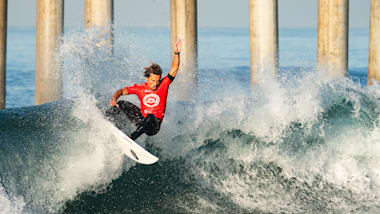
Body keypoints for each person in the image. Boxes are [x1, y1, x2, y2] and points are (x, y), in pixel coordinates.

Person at [106, 40, 182, 140]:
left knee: (150, 117)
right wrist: (113, 99)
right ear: (147, 78)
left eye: (158, 81)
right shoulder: (140, 88)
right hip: (141, 121)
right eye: (153, 80)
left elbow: (174, 68)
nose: (155, 84)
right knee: (121, 104)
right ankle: (106, 120)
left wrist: (177, 53)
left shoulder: (164, 84)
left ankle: (131, 138)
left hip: (153, 126)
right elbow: (120, 91)